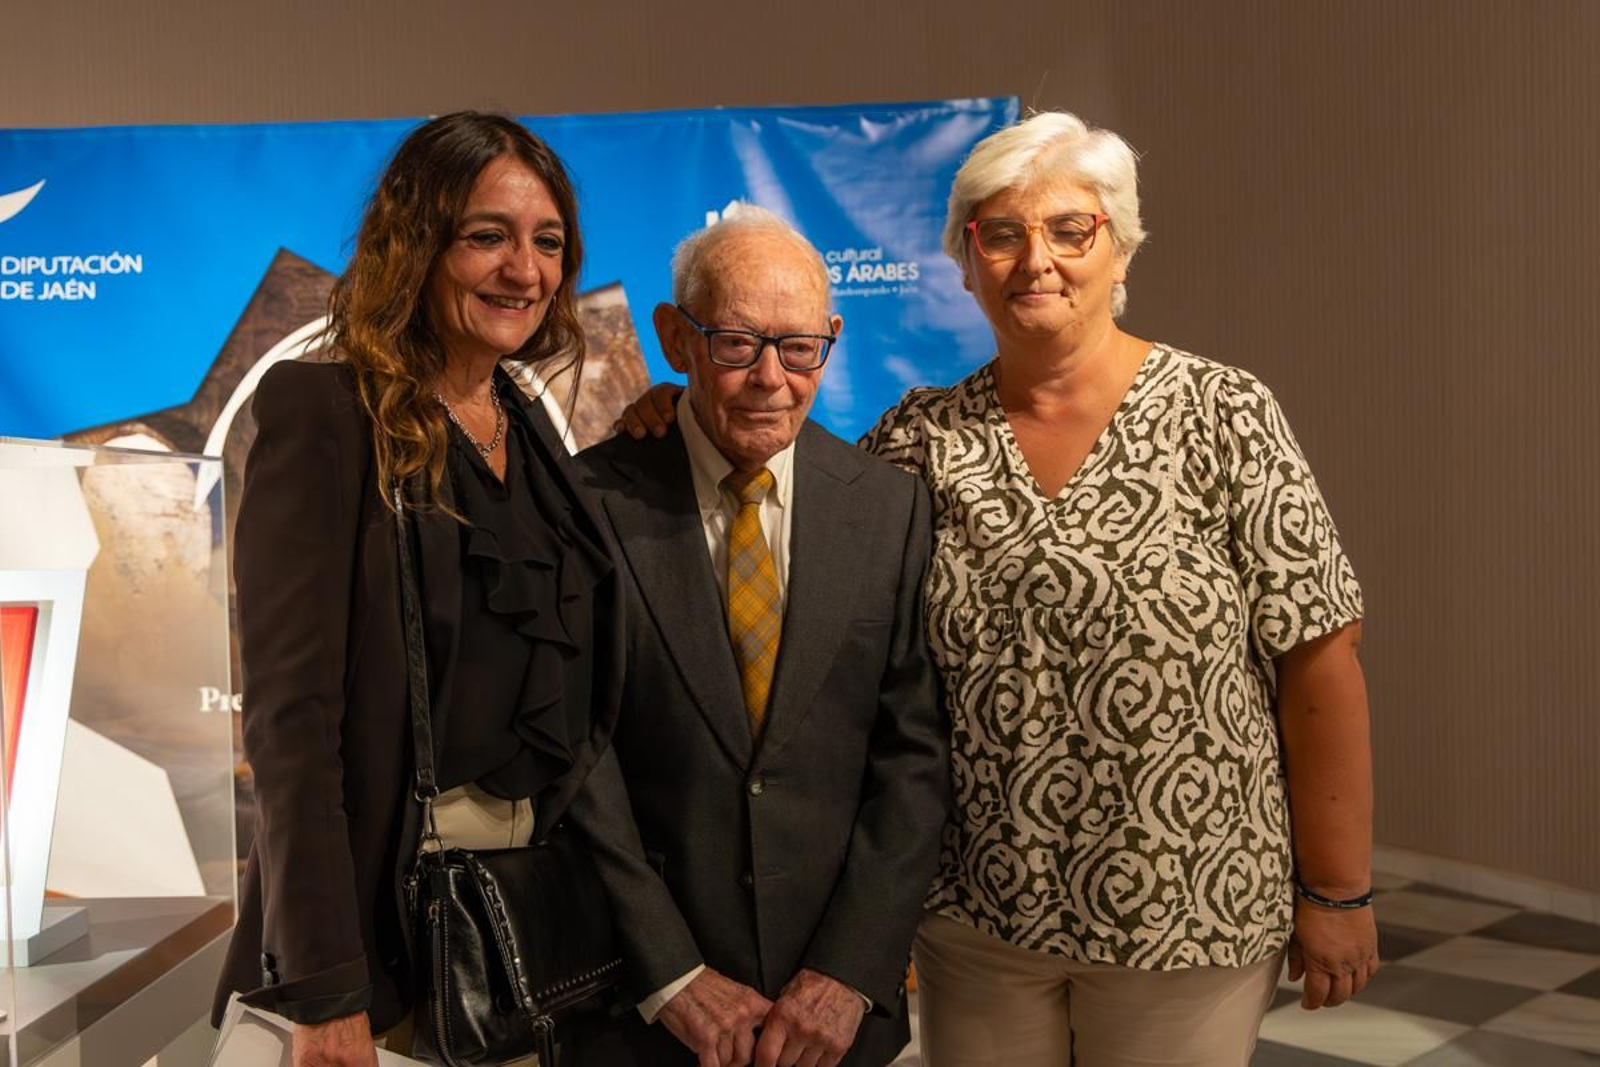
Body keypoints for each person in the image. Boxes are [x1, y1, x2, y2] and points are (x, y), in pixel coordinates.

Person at [617, 112, 1377, 1066]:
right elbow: (780, 485)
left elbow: (1319, 655)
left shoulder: (1225, 414)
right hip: (977, 918)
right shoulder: (921, 438)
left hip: (1187, 910)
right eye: (1001, 235)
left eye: (1070, 229)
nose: (1036, 260)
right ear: (966, 262)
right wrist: (669, 407)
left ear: (1121, 246)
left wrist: (1339, 891)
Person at [212, 111, 623, 1067]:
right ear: (417, 243)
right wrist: (325, 986)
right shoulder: (326, 415)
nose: (524, 269)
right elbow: (290, 721)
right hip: (381, 944)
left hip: (522, 937)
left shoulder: (532, 430)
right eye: (487, 235)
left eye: (547, 242)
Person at [567, 206, 950, 1067]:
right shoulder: (587, 505)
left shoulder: (889, 508)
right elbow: (577, 760)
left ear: (832, 338)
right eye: (736, 343)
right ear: (676, 339)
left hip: (834, 1021)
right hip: (641, 1013)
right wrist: (669, 973)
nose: (770, 379)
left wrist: (849, 972)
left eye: (799, 346)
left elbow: (914, 757)